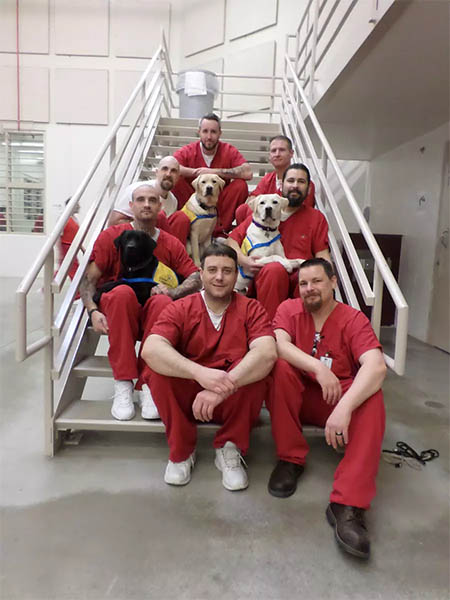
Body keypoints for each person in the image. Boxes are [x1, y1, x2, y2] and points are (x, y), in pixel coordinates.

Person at [267, 258, 386, 559]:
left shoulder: (353, 318)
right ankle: (290, 459)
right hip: (298, 396)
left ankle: (347, 503)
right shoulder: (288, 310)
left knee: (373, 395)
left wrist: (345, 408)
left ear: (333, 282)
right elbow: (278, 344)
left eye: (317, 281)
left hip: (335, 401)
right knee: (279, 368)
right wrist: (319, 369)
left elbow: (376, 366)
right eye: (303, 283)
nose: (309, 289)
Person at [141, 243, 277, 491]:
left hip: (231, 399)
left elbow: (267, 353)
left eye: (227, 270)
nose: (219, 277)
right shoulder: (181, 307)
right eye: (212, 269)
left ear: (237, 275)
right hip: (190, 397)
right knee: (157, 371)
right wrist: (200, 374)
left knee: (258, 373)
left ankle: (230, 448)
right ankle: (181, 451)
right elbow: (151, 348)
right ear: (201, 273)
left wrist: (221, 388)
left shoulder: (251, 308)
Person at [80, 181, 201, 422]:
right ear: (131, 205)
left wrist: (173, 292)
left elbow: (195, 277)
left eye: (152, 200)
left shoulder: (170, 243)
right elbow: (88, 280)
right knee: (120, 293)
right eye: (141, 200)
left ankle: (148, 385)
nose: (147, 204)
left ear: (160, 207)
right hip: (120, 309)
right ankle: (123, 383)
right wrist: (92, 311)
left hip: (152, 312)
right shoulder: (111, 237)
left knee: (163, 302)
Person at [227, 163, 330, 319]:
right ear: (282, 184)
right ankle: (269, 331)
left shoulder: (316, 218)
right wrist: (244, 260)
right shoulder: (261, 215)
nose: (295, 185)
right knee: (274, 269)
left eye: (301, 182)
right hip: (269, 277)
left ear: (309, 188)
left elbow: (323, 255)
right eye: (291, 180)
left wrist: (328, 277)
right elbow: (231, 240)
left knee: (309, 277)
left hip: (300, 276)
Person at [169, 113, 252, 241]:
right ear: (199, 132)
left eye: (213, 132)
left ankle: (219, 232)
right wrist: (197, 173)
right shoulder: (189, 150)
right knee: (176, 179)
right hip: (193, 200)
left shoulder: (228, 150)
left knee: (240, 185)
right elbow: (171, 166)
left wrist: (213, 171)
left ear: (220, 133)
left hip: (219, 201)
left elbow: (247, 172)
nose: (209, 136)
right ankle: (186, 226)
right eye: (205, 131)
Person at [235, 135, 315, 224]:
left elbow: (304, 211)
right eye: (273, 151)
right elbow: (253, 198)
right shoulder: (268, 178)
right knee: (242, 210)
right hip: (266, 222)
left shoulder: (302, 184)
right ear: (269, 156)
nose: (277, 154)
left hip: (292, 223)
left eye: (282, 150)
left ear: (291, 153)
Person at [108, 156, 181, 227]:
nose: (168, 174)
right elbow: (113, 222)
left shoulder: (173, 202)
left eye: (173, 171)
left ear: (178, 177)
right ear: (156, 172)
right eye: (164, 169)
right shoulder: (135, 190)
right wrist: (144, 224)